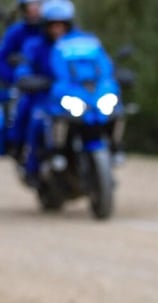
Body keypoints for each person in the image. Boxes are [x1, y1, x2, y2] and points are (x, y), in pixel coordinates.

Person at [15, 0, 115, 184]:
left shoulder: (83, 43)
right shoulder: (35, 45)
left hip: (80, 96)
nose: (57, 29)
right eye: (53, 25)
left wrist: (111, 78)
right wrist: (27, 78)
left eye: (61, 24)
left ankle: (113, 150)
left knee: (112, 111)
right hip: (46, 96)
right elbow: (23, 67)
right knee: (35, 119)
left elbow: (100, 65)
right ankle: (32, 167)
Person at [0, 0, 42, 157]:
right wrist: (15, 80)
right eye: (31, 6)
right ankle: (18, 146)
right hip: (24, 85)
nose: (35, 9)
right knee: (21, 110)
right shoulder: (16, 33)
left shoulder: (54, 31)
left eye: (38, 5)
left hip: (54, 85)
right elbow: (3, 59)